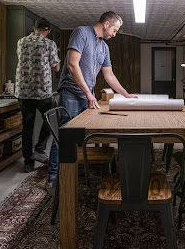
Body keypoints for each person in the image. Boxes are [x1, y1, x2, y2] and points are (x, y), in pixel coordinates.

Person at [46, 11, 136, 190]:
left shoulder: (104, 47)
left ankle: (74, 167)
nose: (115, 34)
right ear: (106, 25)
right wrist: (88, 93)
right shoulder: (81, 33)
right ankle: (54, 176)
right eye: (115, 30)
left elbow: (109, 75)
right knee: (65, 135)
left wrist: (126, 94)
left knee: (82, 135)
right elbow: (72, 64)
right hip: (72, 93)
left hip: (86, 95)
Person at [15, 18, 60, 173]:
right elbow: (56, 67)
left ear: (34, 28)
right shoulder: (49, 44)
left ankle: (28, 161)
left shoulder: (21, 42)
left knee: (27, 127)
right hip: (43, 91)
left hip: (23, 92)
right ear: (47, 30)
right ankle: (40, 149)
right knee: (52, 120)